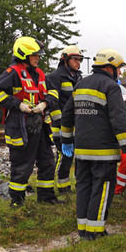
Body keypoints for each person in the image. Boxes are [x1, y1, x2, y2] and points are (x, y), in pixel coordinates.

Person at [61, 48, 126, 240]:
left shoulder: (80, 84)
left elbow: (67, 114)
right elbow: (119, 120)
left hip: (82, 150)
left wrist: (66, 140)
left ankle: (83, 229)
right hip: (104, 151)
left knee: (84, 187)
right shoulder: (111, 87)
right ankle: (95, 232)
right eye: (118, 69)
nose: (119, 73)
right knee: (102, 189)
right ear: (109, 67)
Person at [0, 36, 62, 207]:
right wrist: (18, 105)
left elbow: (54, 92)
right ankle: (17, 201)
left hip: (40, 125)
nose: (38, 57)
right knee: (22, 165)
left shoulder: (40, 73)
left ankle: (46, 197)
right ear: (24, 55)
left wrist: (45, 103)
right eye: (34, 55)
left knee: (47, 161)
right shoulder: (12, 72)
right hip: (20, 125)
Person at [46, 45, 84, 194]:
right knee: (64, 156)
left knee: (78, 157)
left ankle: (77, 186)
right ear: (65, 60)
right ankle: (61, 187)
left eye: (80, 59)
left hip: (77, 124)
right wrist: (60, 123)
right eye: (75, 59)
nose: (78, 62)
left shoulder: (79, 77)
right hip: (59, 125)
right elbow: (53, 102)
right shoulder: (55, 77)